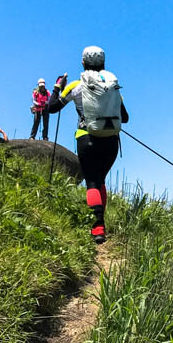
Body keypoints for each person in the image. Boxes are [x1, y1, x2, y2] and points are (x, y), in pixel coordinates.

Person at [49, 46, 128, 243]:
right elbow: (125, 118)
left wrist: (58, 86)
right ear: (103, 63)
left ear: (83, 63)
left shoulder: (76, 86)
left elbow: (52, 108)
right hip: (110, 140)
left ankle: (98, 226)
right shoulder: (112, 87)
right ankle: (101, 225)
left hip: (87, 137)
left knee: (92, 181)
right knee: (100, 180)